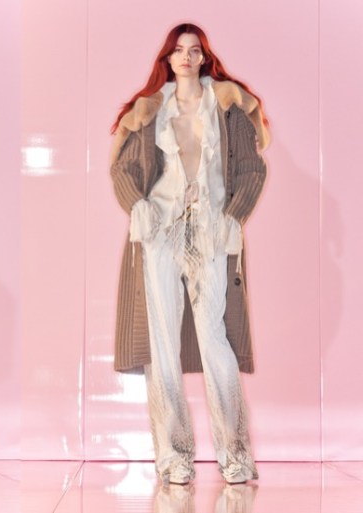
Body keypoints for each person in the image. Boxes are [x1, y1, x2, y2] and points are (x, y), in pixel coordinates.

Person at [110, 23, 269, 485]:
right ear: (167, 58)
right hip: (160, 232)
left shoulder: (229, 107)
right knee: (162, 344)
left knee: (215, 338)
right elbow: (121, 168)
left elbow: (253, 168)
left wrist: (234, 215)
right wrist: (137, 206)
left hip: (211, 230)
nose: (185, 57)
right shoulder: (148, 111)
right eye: (178, 50)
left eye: (194, 50)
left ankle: (235, 453)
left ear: (204, 57)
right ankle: (173, 454)